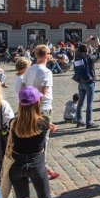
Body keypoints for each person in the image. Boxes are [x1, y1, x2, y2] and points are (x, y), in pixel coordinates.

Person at [8, 86, 73, 198]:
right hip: (36, 164)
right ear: (37, 102)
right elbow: (42, 126)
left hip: (17, 165)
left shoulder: (13, 123)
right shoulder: (43, 121)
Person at [23, 46, 60, 180]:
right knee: (43, 140)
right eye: (50, 53)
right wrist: (36, 110)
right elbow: (42, 93)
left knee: (31, 138)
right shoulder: (46, 72)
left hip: (29, 106)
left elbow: (24, 88)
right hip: (42, 108)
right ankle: (41, 169)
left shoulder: (29, 70)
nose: (51, 56)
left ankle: (34, 166)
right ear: (45, 55)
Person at [72, 44, 100, 129]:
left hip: (80, 82)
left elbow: (78, 50)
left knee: (80, 103)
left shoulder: (77, 57)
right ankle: (89, 122)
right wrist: (98, 45)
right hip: (89, 82)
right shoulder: (89, 58)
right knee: (89, 103)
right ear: (86, 51)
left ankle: (79, 121)